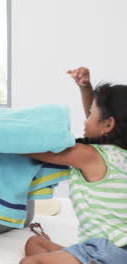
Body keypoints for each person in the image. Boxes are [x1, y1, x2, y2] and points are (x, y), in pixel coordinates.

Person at [20, 67, 127, 264]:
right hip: (113, 250)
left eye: (90, 114)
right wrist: (85, 89)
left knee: (29, 262)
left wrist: (3, 142)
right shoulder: (118, 155)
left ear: (108, 125)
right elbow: (98, 126)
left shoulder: (91, 155)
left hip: (108, 251)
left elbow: (41, 150)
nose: (85, 120)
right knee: (35, 244)